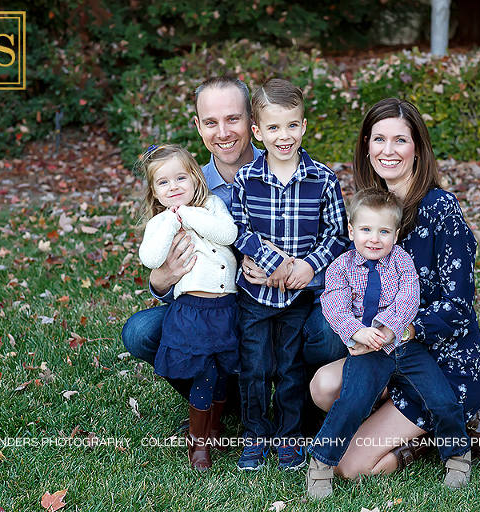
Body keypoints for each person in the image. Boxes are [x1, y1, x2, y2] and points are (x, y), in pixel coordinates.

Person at [121, 77, 347, 424]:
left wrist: (293, 268)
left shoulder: (294, 168)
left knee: (329, 331)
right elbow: (166, 254)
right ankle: (222, 401)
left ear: (252, 123)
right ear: (198, 126)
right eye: (211, 122)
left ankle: (306, 408)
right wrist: (162, 279)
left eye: (233, 119)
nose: (223, 132)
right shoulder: (186, 185)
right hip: (219, 309)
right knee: (141, 331)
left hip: (291, 303)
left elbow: (332, 241)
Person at [309, 98, 480, 487]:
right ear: (366, 145)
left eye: (401, 140)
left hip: (441, 359)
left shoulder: (441, 209)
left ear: (418, 148)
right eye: (379, 139)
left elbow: (458, 307)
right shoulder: (372, 210)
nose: (388, 150)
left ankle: (460, 420)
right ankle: (424, 426)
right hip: (382, 351)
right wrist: (356, 330)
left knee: (351, 467)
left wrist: (405, 329)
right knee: (323, 386)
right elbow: (346, 278)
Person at [305, 188, 473, 498]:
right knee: (351, 403)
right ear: (352, 230)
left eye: (383, 231)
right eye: (366, 230)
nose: (374, 238)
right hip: (367, 350)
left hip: (403, 347)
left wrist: (388, 328)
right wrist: (357, 332)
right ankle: (321, 464)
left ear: (395, 235)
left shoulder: (402, 261)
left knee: (441, 398)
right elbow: (334, 305)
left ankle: (457, 457)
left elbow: (408, 299)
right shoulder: (341, 268)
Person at [232, 78, 348, 472]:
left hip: (298, 297)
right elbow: (239, 229)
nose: (285, 136)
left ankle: (289, 437)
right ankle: (255, 435)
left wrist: (308, 265)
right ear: (257, 131)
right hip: (256, 295)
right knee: (254, 368)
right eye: (274, 127)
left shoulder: (323, 179)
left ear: (304, 125)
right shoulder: (247, 179)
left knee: (290, 369)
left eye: (292, 125)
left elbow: (337, 236)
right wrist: (271, 262)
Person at [136, 144, 239, 471]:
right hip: (192, 311)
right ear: (155, 192)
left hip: (226, 308)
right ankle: (198, 445)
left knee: (223, 372)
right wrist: (171, 220)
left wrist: (190, 214)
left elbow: (228, 233)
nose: (174, 187)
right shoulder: (160, 222)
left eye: (181, 177)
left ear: (195, 179)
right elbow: (150, 259)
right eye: (163, 183)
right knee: (204, 373)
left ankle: (214, 427)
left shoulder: (211, 205)